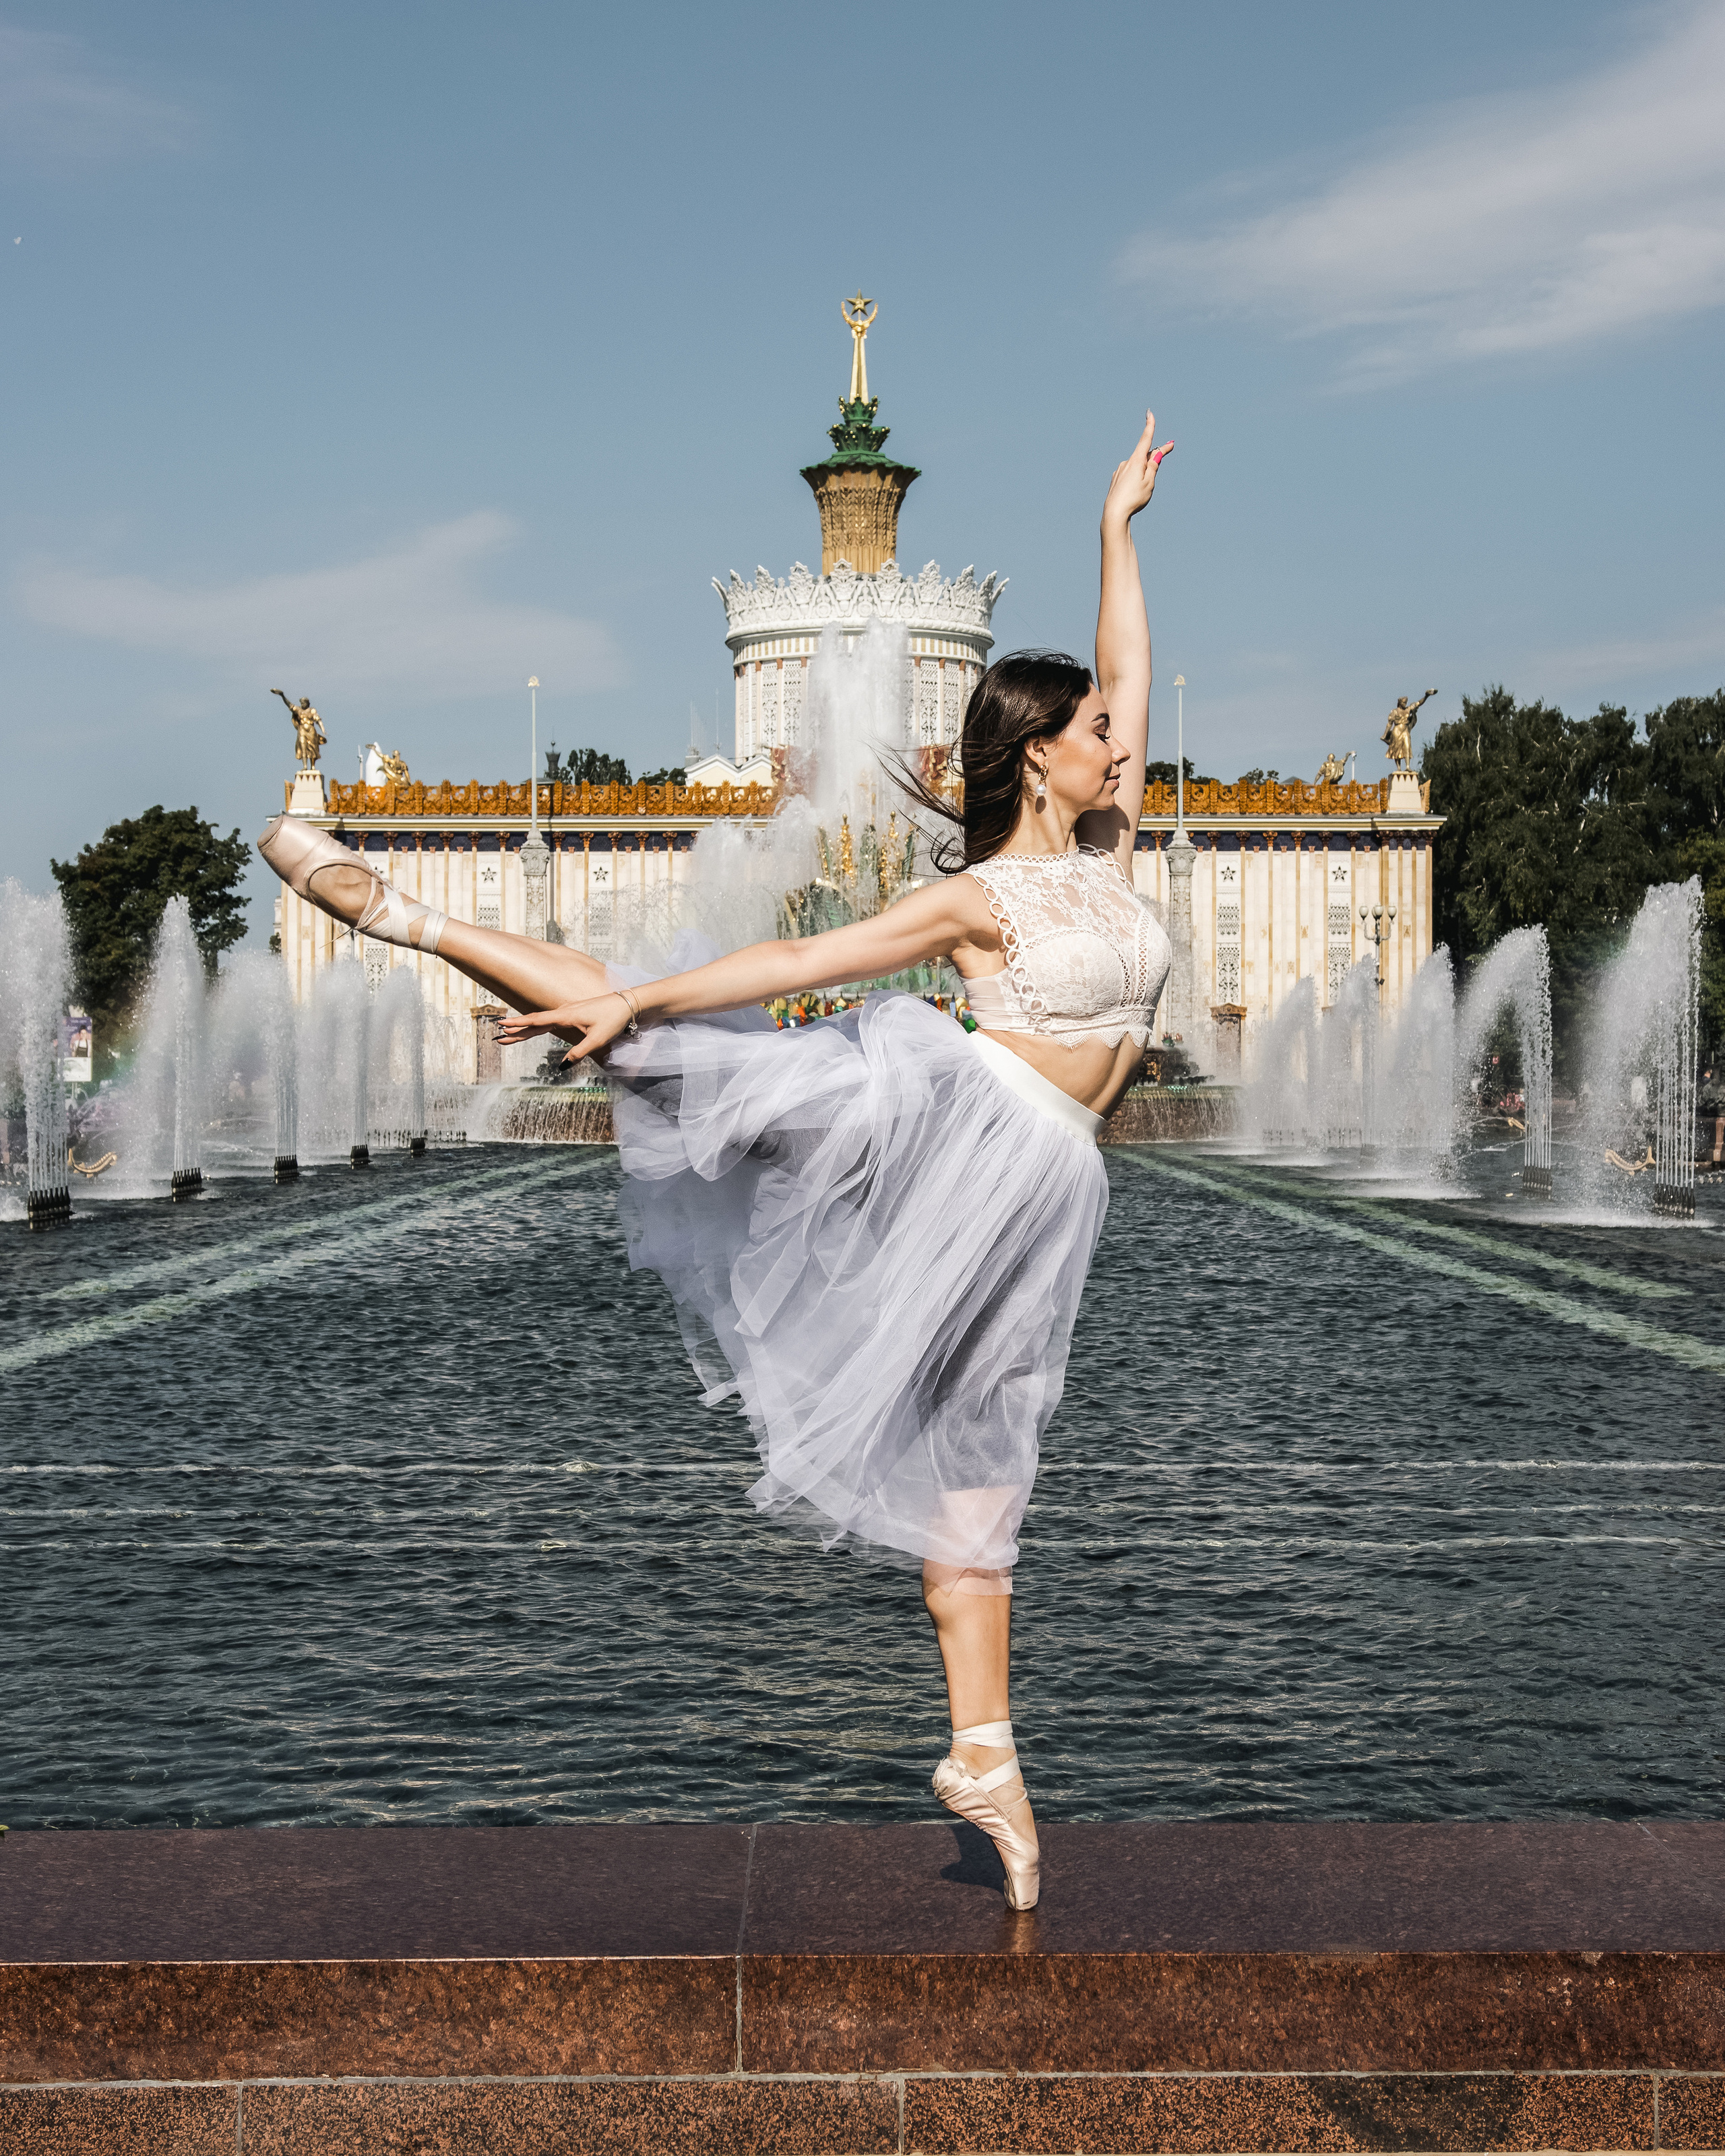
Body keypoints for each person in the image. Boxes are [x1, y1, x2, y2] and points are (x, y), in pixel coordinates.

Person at [257, 410, 1174, 1910]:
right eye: (1087, 732)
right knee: (665, 1050)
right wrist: (648, 985)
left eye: (1109, 729)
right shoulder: (980, 902)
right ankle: (402, 913)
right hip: (952, 1120)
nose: (1118, 737)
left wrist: (1114, 528)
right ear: (1031, 758)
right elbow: (807, 946)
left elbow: (1126, 665)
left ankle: (982, 1755)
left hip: (1053, 1180)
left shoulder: (1112, 845)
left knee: (983, 1465)